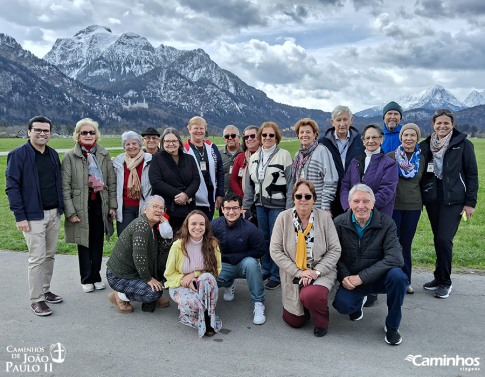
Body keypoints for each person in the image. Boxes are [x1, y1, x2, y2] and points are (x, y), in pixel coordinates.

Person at [332, 184, 408, 346]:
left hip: (379, 278)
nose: (361, 206)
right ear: (349, 203)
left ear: (373, 203)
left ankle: (392, 326)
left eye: (366, 201)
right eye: (356, 201)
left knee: (398, 277)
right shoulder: (338, 223)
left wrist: (362, 277)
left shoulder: (387, 223)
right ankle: (357, 303)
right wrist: (344, 276)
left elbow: (396, 258)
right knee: (343, 306)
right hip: (352, 279)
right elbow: (333, 255)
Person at [5, 116, 64, 316]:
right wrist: (20, 217)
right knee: (37, 258)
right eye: (37, 130)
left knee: (49, 255)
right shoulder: (18, 155)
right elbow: (12, 188)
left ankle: (45, 291)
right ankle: (36, 299)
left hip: (54, 213)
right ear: (29, 131)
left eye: (46, 130)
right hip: (32, 216)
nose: (42, 133)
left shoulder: (53, 155)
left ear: (50, 133)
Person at [419, 109, 478, 299]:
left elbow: (472, 174)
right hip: (433, 199)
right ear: (433, 125)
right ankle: (438, 277)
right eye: (438, 123)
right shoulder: (427, 145)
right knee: (438, 239)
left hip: (454, 200)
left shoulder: (463, 144)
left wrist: (470, 203)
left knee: (444, 239)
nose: (442, 126)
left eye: (446, 123)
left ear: (452, 124)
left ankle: (445, 282)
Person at [270, 181, 341, 337]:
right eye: (299, 196)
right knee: (295, 322)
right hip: (293, 274)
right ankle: (307, 306)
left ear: (314, 199)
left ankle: (321, 322)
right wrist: (298, 272)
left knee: (312, 295)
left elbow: (335, 249)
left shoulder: (324, 218)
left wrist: (316, 272)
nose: (303, 199)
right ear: (293, 198)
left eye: (307, 196)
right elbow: (275, 250)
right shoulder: (283, 218)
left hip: (321, 271)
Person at [61, 118, 117, 293]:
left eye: (91, 132)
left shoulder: (103, 154)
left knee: (97, 241)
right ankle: (86, 278)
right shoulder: (70, 156)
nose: (88, 135)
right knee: (83, 242)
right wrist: (70, 211)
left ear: (96, 135)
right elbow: (65, 187)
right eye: (84, 132)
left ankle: (96, 276)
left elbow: (111, 182)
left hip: (101, 203)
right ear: (78, 135)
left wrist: (112, 206)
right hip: (80, 205)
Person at [242, 122, 293, 290]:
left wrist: (289, 207)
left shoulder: (284, 155)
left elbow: (291, 183)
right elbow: (250, 185)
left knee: (276, 240)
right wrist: (246, 205)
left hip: (278, 206)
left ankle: (277, 274)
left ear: (276, 137)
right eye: (264, 135)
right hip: (260, 205)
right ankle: (266, 269)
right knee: (263, 239)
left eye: (271, 135)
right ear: (260, 137)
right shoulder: (255, 157)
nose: (268, 138)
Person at [106, 195, 171, 313]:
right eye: (155, 206)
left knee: (163, 268)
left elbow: (163, 252)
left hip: (135, 271)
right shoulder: (142, 225)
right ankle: (120, 296)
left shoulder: (155, 226)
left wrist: (166, 231)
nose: (159, 210)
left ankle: (145, 290)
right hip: (120, 276)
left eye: (162, 208)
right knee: (153, 293)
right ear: (145, 209)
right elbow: (139, 256)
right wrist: (148, 279)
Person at [211, 193, 267, 325]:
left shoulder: (250, 229)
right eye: (228, 208)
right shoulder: (214, 225)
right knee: (208, 277)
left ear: (241, 209)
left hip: (243, 264)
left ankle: (258, 303)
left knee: (252, 264)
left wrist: (238, 256)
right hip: (223, 265)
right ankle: (229, 283)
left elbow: (261, 250)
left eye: (235, 208)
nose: (231, 212)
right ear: (222, 209)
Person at [164, 210, 222, 337]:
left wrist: (195, 274)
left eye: (201, 224)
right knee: (195, 305)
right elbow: (169, 274)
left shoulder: (213, 244)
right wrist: (187, 281)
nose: (197, 227)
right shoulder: (178, 246)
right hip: (180, 285)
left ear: (206, 226)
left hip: (204, 285)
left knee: (208, 277)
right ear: (187, 226)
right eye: (193, 224)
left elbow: (215, 270)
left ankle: (207, 317)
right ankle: (189, 315)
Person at [387, 123, 426, 294]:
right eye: (405, 135)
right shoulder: (390, 157)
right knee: (392, 243)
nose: (409, 138)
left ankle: (406, 280)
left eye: (413, 135)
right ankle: (390, 279)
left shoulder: (422, 159)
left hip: (413, 207)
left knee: (406, 244)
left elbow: (424, 183)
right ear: (400, 137)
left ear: (417, 138)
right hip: (394, 207)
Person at [340, 124, 398, 217]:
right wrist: (348, 207)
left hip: (379, 216)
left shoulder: (390, 164)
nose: (371, 141)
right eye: (367, 138)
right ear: (363, 141)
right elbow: (345, 186)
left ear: (381, 139)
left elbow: (386, 192)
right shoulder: (355, 162)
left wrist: (363, 207)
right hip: (354, 215)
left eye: (374, 137)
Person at [149, 128, 200, 234]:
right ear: (163, 143)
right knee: (166, 239)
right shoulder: (157, 158)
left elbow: (196, 180)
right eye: (167, 141)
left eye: (174, 141)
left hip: (187, 205)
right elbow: (156, 181)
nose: (171, 143)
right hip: (167, 205)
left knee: (187, 238)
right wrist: (179, 194)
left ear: (179, 143)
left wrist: (186, 195)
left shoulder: (189, 158)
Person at [318, 105, 365, 216]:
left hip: (355, 194)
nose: (342, 124)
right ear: (332, 122)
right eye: (338, 120)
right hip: (330, 195)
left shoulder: (361, 140)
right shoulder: (323, 142)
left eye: (345, 119)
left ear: (351, 120)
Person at [290, 118, 338, 215]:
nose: (304, 135)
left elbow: (331, 179)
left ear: (315, 134)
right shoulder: (298, 155)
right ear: (298, 135)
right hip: (302, 207)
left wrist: (325, 206)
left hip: (318, 207)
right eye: (301, 132)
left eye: (308, 132)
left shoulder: (322, 151)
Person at [183, 116, 224, 220]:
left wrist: (220, 193)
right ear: (189, 129)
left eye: (201, 128)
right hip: (192, 194)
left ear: (205, 130)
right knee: (194, 223)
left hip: (210, 193)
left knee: (207, 223)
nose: (199, 131)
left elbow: (220, 171)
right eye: (195, 128)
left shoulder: (212, 147)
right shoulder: (183, 149)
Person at [112, 131, 152, 236]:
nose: (131, 146)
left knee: (142, 240)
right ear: (124, 146)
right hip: (125, 208)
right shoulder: (118, 163)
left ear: (140, 145)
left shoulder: (150, 161)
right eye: (127, 144)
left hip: (145, 207)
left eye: (134, 143)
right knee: (125, 240)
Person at [220, 125, 242, 196]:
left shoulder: (246, 153)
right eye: (227, 136)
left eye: (233, 135)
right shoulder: (218, 154)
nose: (230, 138)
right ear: (224, 139)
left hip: (242, 196)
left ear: (239, 137)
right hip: (225, 197)